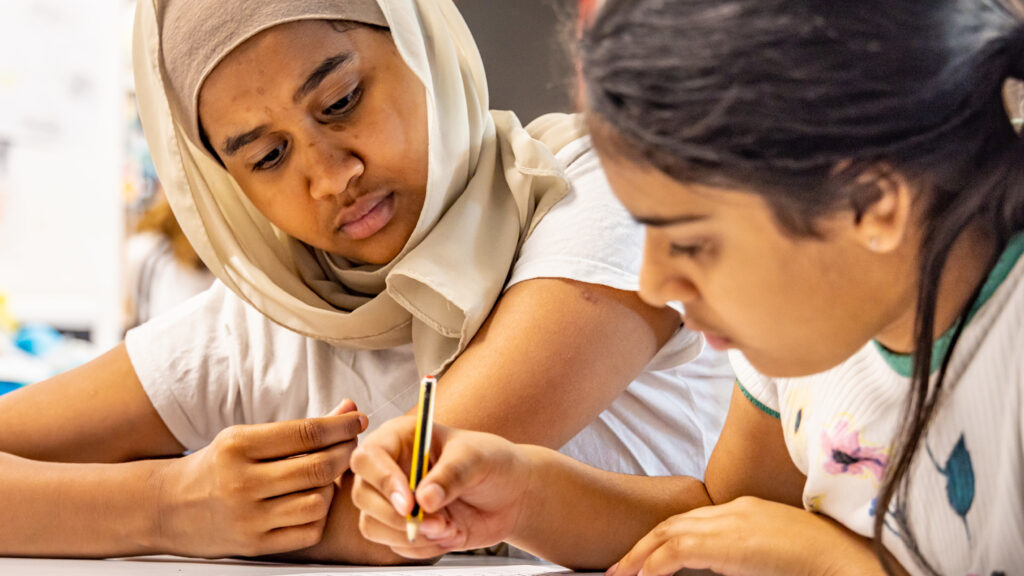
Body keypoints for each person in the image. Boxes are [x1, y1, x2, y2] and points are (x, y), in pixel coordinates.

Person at [0, 0, 733, 563]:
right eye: (266, 156)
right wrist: (167, 502)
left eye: (343, 100)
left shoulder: (603, 196)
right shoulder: (264, 319)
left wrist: (186, 513)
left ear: (421, 47)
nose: (329, 176)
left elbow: (412, 502)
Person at [349, 0, 1024, 574]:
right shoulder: (817, 327)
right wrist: (522, 494)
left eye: (693, 241)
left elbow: (793, 547)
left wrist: (841, 563)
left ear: (870, 205)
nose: (657, 283)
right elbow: (719, 520)